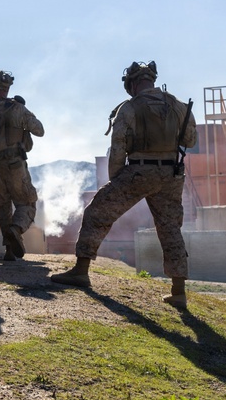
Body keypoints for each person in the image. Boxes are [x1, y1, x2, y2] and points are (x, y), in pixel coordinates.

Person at [51, 61, 197, 309]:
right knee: (170, 228)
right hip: (171, 173)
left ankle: (81, 271)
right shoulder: (178, 105)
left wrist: (116, 180)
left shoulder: (128, 108)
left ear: (132, 83)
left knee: (98, 211)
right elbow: (190, 140)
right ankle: (178, 292)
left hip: (140, 170)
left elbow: (118, 148)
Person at [0, 71, 44, 261]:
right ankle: (16, 229)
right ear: (7, 89)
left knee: (2, 208)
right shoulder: (17, 108)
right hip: (14, 165)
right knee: (26, 203)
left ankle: (9, 251)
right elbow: (39, 130)